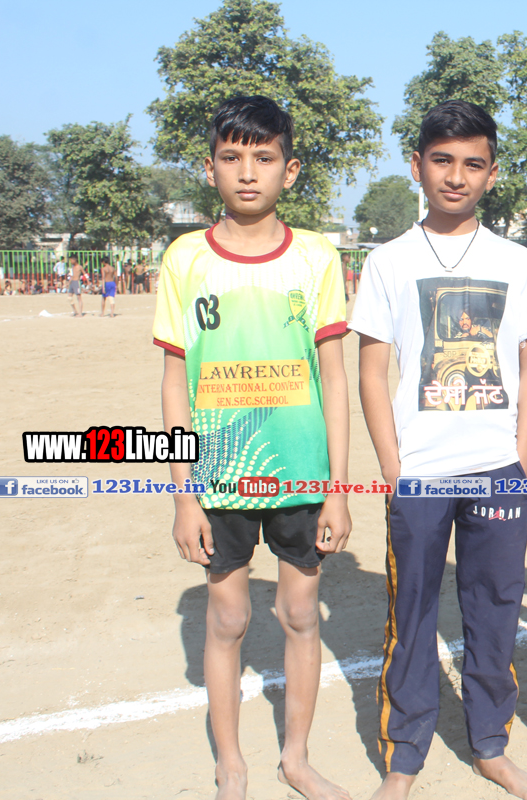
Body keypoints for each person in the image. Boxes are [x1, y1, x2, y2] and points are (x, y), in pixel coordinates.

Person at [153, 95, 352, 800]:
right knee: (229, 619)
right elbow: (174, 383)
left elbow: (334, 377)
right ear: (209, 168)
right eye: (232, 157)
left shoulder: (317, 256)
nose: (247, 172)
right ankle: (231, 762)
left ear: (288, 170)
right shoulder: (184, 259)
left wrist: (338, 488)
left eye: (263, 158)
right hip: (219, 477)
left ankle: (296, 759)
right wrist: (183, 496)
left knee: (299, 616)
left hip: (300, 474)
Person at [350, 100, 527, 800]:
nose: (456, 176)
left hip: (498, 471)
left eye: (472, 163)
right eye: (442, 161)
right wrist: (394, 468)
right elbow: (372, 372)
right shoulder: (387, 261)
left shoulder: (516, 262)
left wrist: (519, 459)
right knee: (411, 617)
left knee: (495, 608)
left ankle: (491, 745)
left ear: (492, 173)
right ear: (417, 165)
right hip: (421, 475)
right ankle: (404, 756)